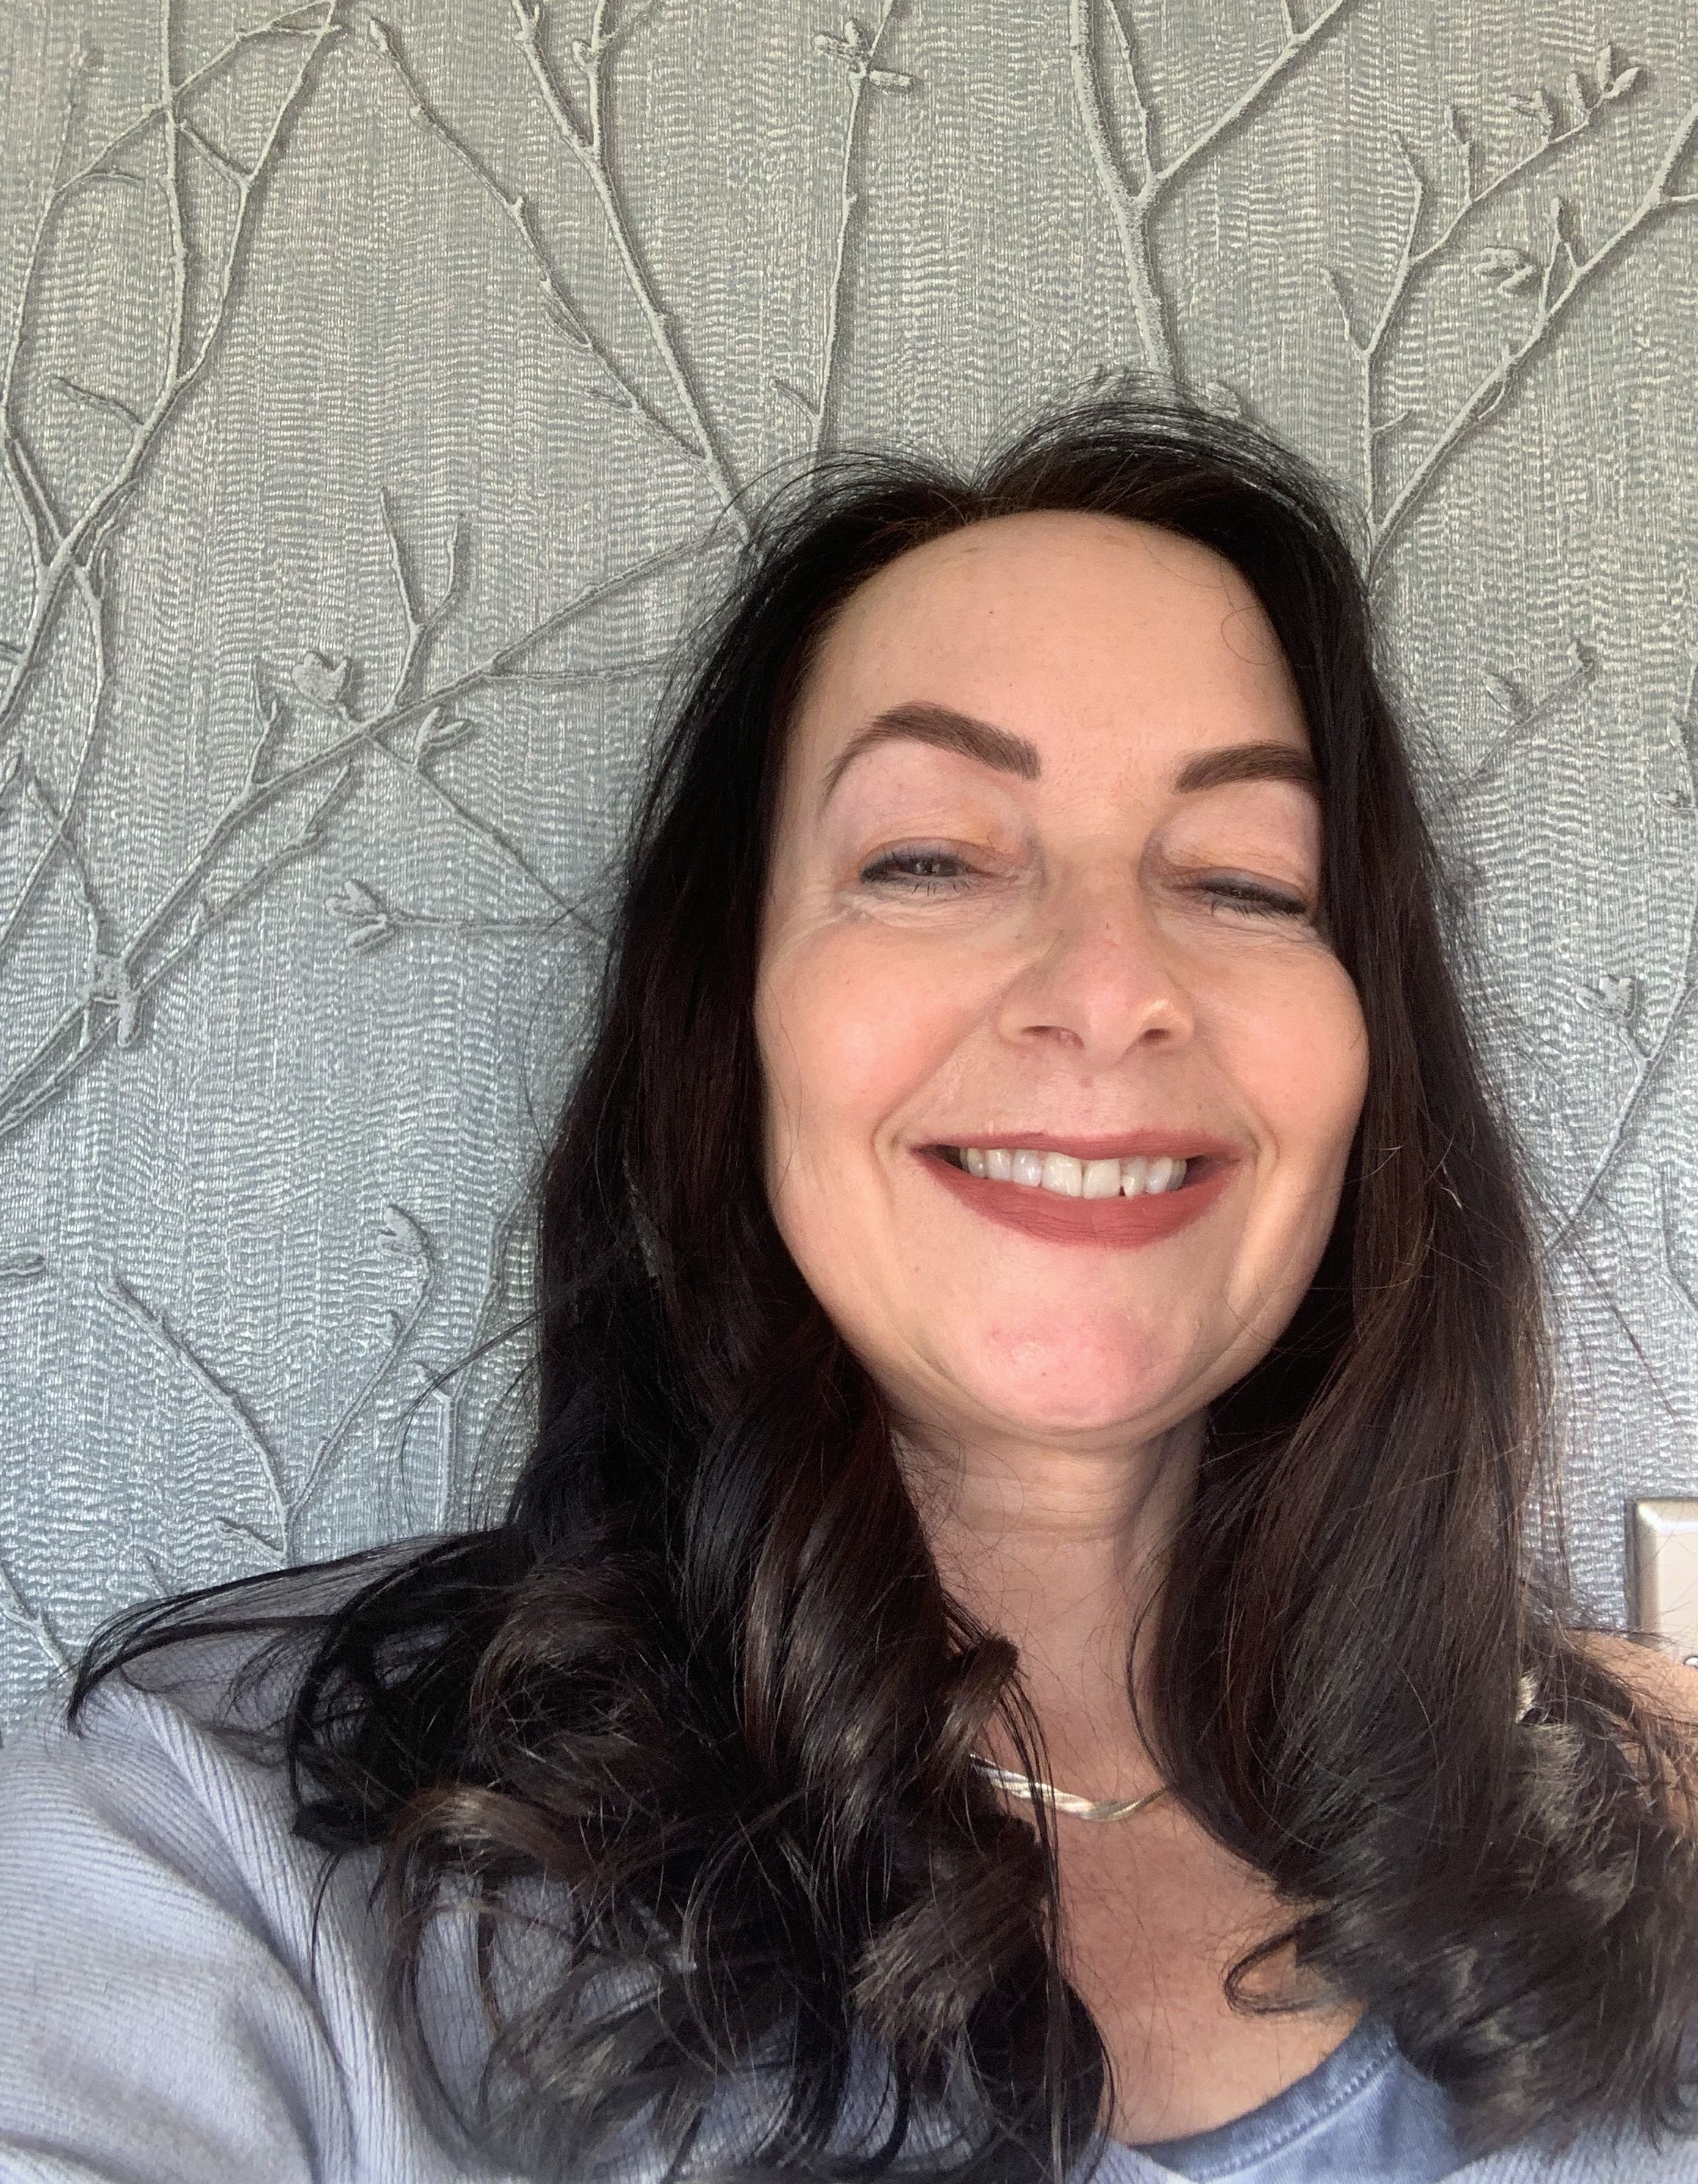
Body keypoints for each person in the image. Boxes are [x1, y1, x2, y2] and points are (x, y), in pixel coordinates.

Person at [2, 389, 1697, 2184]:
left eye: (1245, 879)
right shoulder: (230, 1845)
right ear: (732, 1020)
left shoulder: (1638, 1838)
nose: (1109, 985)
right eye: (927, 858)